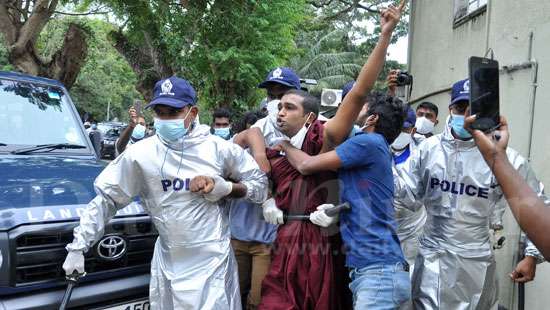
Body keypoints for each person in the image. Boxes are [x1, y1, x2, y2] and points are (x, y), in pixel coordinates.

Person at [61, 76, 268, 309]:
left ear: (193, 112)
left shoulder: (218, 149)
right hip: (168, 262)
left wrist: (227, 188)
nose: (165, 119)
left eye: (173, 112)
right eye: (160, 112)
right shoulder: (141, 154)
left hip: (212, 262)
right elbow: (107, 200)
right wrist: (79, 246)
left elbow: (260, 187)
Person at [274, 2, 410, 309]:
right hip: (372, 271)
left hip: (378, 275)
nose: (351, 109)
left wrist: (282, 147)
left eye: (288, 106)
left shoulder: (363, 143)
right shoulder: (367, 150)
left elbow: (307, 165)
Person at [393, 79, 546, 309]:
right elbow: (407, 196)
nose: (466, 116)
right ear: (450, 110)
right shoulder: (428, 150)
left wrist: (532, 255)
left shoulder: (505, 158)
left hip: (477, 263)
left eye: (473, 109)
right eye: (460, 108)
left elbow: (537, 203)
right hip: (432, 261)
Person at [256, 88, 350, 310]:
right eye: (280, 107)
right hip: (286, 236)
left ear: (309, 117)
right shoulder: (276, 150)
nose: (280, 113)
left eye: (289, 108)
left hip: (320, 238)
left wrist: (337, 210)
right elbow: (247, 136)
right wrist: (267, 198)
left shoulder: (323, 137)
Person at [465, 115, 550, 261]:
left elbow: (536, 202)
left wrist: (531, 255)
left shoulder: (512, 160)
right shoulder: (431, 150)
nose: (469, 118)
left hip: (490, 257)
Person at [226, 117, 277, 310]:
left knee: (257, 300)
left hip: (264, 244)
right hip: (237, 241)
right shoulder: (232, 160)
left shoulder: (274, 160)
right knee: (233, 294)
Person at [391, 106, 427, 275]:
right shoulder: (376, 148)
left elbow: (416, 197)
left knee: (410, 277)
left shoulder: (422, 153)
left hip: (413, 229)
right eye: (395, 126)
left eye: (404, 128)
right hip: (383, 229)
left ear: (413, 130)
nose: (399, 132)